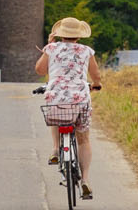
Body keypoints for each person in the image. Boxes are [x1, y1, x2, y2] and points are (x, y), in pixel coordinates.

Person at [38, 15, 105, 199]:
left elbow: (40, 70)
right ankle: (85, 180)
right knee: (83, 138)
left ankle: (55, 149)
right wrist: (96, 83)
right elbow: (96, 74)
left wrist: (48, 46)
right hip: (80, 98)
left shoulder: (52, 48)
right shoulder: (86, 51)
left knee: (55, 114)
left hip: (56, 96)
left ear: (60, 34)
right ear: (79, 35)